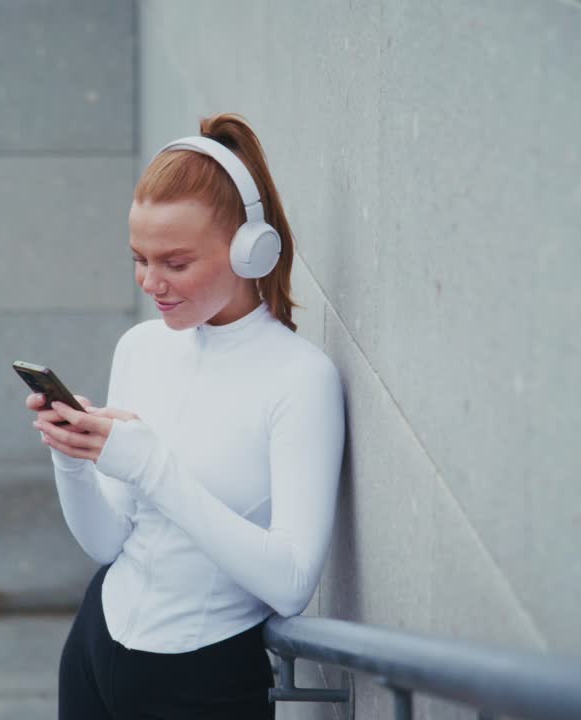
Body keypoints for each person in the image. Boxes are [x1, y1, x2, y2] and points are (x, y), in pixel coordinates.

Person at [24, 113, 346, 719]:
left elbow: (293, 582)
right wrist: (73, 460)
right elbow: (106, 543)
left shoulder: (301, 380)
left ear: (251, 251)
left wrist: (149, 465)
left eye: (175, 262)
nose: (152, 282)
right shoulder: (140, 348)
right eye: (139, 259)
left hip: (205, 683)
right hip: (95, 647)